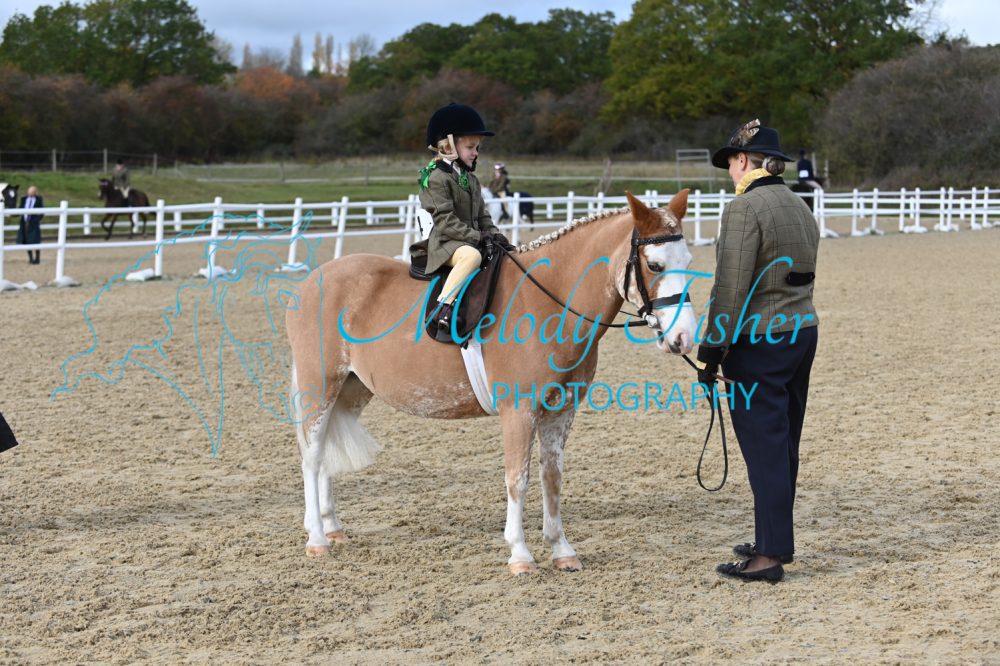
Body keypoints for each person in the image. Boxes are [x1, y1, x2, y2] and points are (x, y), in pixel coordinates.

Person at [698, 118, 820, 583]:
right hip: (801, 331)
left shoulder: (743, 209)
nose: (730, 171)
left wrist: (712, 350)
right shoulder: (799, 205)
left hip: (760, 341)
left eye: (731, 162)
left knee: (764, 449)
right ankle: (772, 538)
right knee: (783, 445)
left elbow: (730, 287)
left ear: (744, 160)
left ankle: (769, 557)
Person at [411, 103, 514, 333]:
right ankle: (443, 307)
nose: (476, 152)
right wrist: (478, 237)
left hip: (468, 239)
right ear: (447, 145)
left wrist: (495, 235)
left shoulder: (471, 180)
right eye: (470, 147)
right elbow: (445, 221)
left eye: (477, 147)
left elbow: (483, 216)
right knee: (471, 256)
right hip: (446, 244)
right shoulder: (435, 178)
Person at [16, 185, 43, 264]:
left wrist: (37, 220)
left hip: (34, 223)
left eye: (32, 192)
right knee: (27, 240)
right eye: (29, 192)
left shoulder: (38, 199)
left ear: (35, 192)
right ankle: (30, 258)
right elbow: (20, 209)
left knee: (36, 240)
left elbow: (42, 211)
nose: (30, 193)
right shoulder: (24, 199)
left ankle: (37, 258)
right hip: (25, 223)